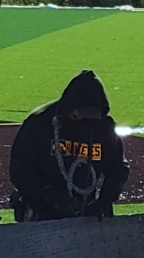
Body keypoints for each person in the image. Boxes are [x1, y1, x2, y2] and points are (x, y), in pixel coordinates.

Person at [9, 69, 130, 221]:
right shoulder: (40, 122)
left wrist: (105, 201)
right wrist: (50, 194)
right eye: (81, 113)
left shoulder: (102, 126)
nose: (85, 120)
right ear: (69, 106)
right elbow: (20, 169)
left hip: (85, 210)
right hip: (42, 210)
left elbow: (118, 168)